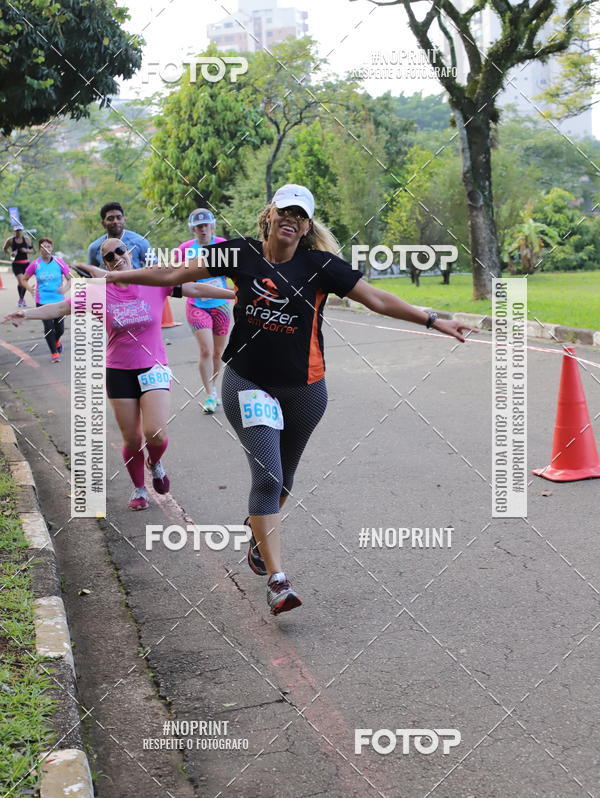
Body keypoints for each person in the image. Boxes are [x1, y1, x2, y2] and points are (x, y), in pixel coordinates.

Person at [75, 184, 476, 615]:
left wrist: (434, 320)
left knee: (283, 483)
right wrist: (113, 276)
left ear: (306, 226)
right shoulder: (239, 254)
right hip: (249, 383)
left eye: (300, 216)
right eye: (285, 211)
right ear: (269, 215)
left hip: (305, 391)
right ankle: (278, 580)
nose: (292, 219)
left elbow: (377, 299)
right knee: (267, 478)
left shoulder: (321, 265)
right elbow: (174, 275)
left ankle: (256, 533)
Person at [4, 238, 234, 511]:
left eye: (119, 251)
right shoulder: (97, 291)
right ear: (105, 265)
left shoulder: (153, 280)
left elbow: (193, 286)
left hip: (153, 367)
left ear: (130, 252)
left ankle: (155, 462)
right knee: (132, 439)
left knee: (155, 434)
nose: (116, 257)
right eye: (109, 256)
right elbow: (61, 308)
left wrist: (233, 294)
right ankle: (139, 488)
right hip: (119, 371)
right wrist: (26, 313)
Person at [175, 209, 231, 414]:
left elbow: (234, 269)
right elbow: (175, 274)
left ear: (212, 226)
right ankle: (208, 394)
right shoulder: (185, 249)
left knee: (218, 352)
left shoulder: (223, 244)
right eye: (199, 227)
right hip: (197, 305)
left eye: (206, 226)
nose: (203, 230)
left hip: (221, 305)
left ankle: (213, 387)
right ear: (193, 229)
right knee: (206, 350)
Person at [20, 238, 72, 362]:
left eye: (48, 246)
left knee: (59, 329)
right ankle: (54, 353)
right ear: (39, 249)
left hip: (59, 301)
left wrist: (64, 289)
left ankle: (57, 341)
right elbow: (23, 279)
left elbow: (70, 278)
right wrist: (29, 289)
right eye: (43, 247)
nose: (46, 249)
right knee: (49, 328)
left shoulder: (59, 262)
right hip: (42, 301)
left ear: (52, 248)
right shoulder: (35, 264)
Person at [87, 202, 154, 270]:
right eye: (110, 219)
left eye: (119, 218)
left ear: (124, 220)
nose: (115, 221)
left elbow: (155, 268)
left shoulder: (140, 241)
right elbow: (90, 275)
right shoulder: (94, 248)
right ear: (103, 224)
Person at [3, 225, 34, 307]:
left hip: (26, 264)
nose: (18, 232)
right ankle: (21, 299)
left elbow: (33, 250)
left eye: (20, 230)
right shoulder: (10, 240)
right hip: (16, 263)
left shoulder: (27, 240)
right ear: (14, 231)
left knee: (24, 282)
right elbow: (4, 249)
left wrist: (26, 250)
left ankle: (21, 299)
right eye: (17, 230)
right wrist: (11, 253)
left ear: (22, 231)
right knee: (21, 281)